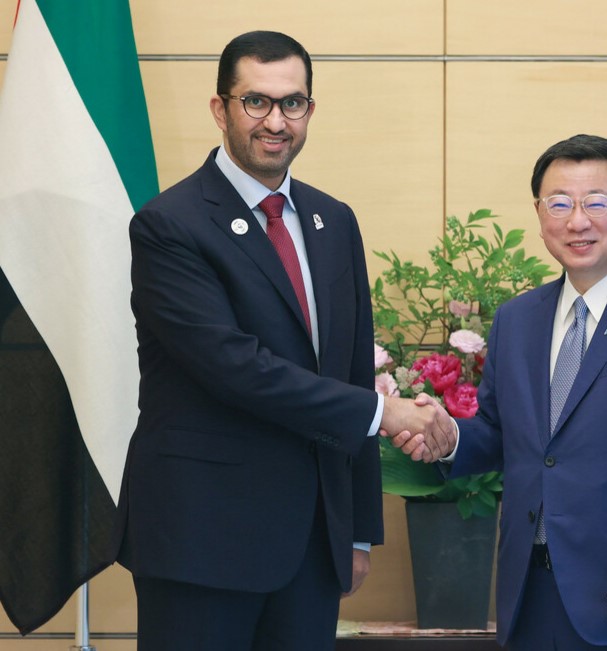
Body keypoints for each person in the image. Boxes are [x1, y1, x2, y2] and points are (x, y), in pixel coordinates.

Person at [112, 30, 453, 651]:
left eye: (292, 103)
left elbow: (350, 365)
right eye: (256, 102)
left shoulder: (333, 220)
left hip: (309, 547)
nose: (276, 121)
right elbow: (234, 367)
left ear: (309, 112)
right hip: (202, 539)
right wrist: (384, 413)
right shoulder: (169, 225)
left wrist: (353, 531)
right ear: (221, 109)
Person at [389, 135, 607, 649]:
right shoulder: (517, 319)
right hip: (529, 594)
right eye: (560, 203)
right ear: (540, 213)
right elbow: (503, 435)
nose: (578, 221)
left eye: (597, 202)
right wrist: (448, 438)